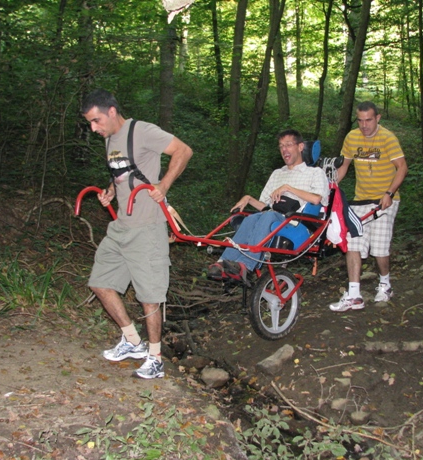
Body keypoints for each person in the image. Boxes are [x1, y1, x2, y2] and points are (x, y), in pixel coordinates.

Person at [81, 89, 193, 379]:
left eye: (96, 121)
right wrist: (110, 190)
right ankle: (132, 341)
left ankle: (155, 359)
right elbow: (121, 171)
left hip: (148, 227)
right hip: (122, 226)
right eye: (90, 123)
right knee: (100, 283)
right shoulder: (109, 138)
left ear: (112, 112)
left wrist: (164, 185)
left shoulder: (142, 131)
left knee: (150, 295)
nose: (93, 128)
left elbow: (184, 150)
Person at [207, 129, 329, 282]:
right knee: (251, 218)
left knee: (268, 215)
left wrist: (288, 188)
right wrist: (249, 198)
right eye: (281, 146)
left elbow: (317, 199)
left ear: (300, 147)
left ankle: (246, 264)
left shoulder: (315, 173)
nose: (284, 150)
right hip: (272, 217)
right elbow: (265, 206)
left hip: (297, 223)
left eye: (289, 145)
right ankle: (223, 263)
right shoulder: (277, 173)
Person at [329, 101, 407, 311]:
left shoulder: (387, 138)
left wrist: (389, 193)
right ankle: (354, 294)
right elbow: (344, 166)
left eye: (368, 120)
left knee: (379, 247)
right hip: (360, 200)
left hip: (385, 199)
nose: (364, 125)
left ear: (377, 118)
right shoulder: (352, 137)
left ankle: (385, 283)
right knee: (352, 242)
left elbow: (402, 167)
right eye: (360, 120)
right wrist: (330, 186)